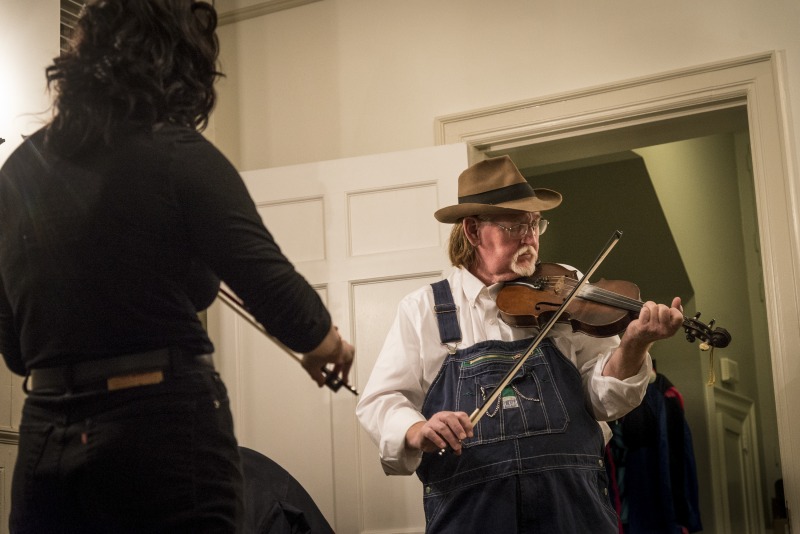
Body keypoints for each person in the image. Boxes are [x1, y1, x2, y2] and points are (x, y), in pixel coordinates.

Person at [0, 1, 353, 532]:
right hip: (162, 434)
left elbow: (14, 349)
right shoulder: (177, 154)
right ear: (177, 62)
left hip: (47, 434)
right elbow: (281, 295)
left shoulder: (18, 171)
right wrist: (328, 346)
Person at [355, 155, 683, 533]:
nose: (530, 238)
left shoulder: (570, 289)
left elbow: (603, 399)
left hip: (573, 508)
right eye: (514, 226)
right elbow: (381, 401)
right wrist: (417, 430)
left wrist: (633, 346)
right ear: (473, 231)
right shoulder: (424, 309)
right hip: (473, 515)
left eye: (534, 224)